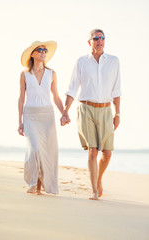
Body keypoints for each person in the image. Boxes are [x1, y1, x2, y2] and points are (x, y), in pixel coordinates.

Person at [61, 29, 121, 200]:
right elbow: (72, 88)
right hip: (86, 108)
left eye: (102, 38)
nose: (99, 41)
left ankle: (99, 179)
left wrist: (118, 113)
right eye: (96, 38)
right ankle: (94, 190)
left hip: (106, 109)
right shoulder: (81, 61)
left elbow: (117, 89)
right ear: (90, 42)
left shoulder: (114, 61)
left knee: (107, 152)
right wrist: (65, 110)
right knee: (93, 151)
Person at [18, 40, 64, 195]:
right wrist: (19, 121)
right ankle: (32, 182)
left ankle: (39, 186)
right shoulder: (24, 75)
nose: (43, 52)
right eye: (40, 50)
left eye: (45, 50)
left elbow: (56, 97)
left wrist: (64, 113)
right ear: (32, 54)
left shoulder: (52, 74)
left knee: (47, 151)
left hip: (47, 116)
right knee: (35, 149)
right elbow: (21, 98)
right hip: (30, 115)